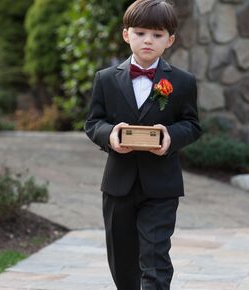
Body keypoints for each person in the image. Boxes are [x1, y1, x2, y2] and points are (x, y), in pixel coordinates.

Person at [84, 0, 201, 289]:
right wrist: (111, 135)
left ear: (170, 40)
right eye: (140, 33)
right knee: (122, 259)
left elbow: (192, 125)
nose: (148, 40)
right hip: (118, 185)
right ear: (126, 35)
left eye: (157, 35)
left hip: (161, 185)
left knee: (155, 256)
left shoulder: (183, 82)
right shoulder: (106, 79)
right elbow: (93, 122)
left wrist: (169, 136)